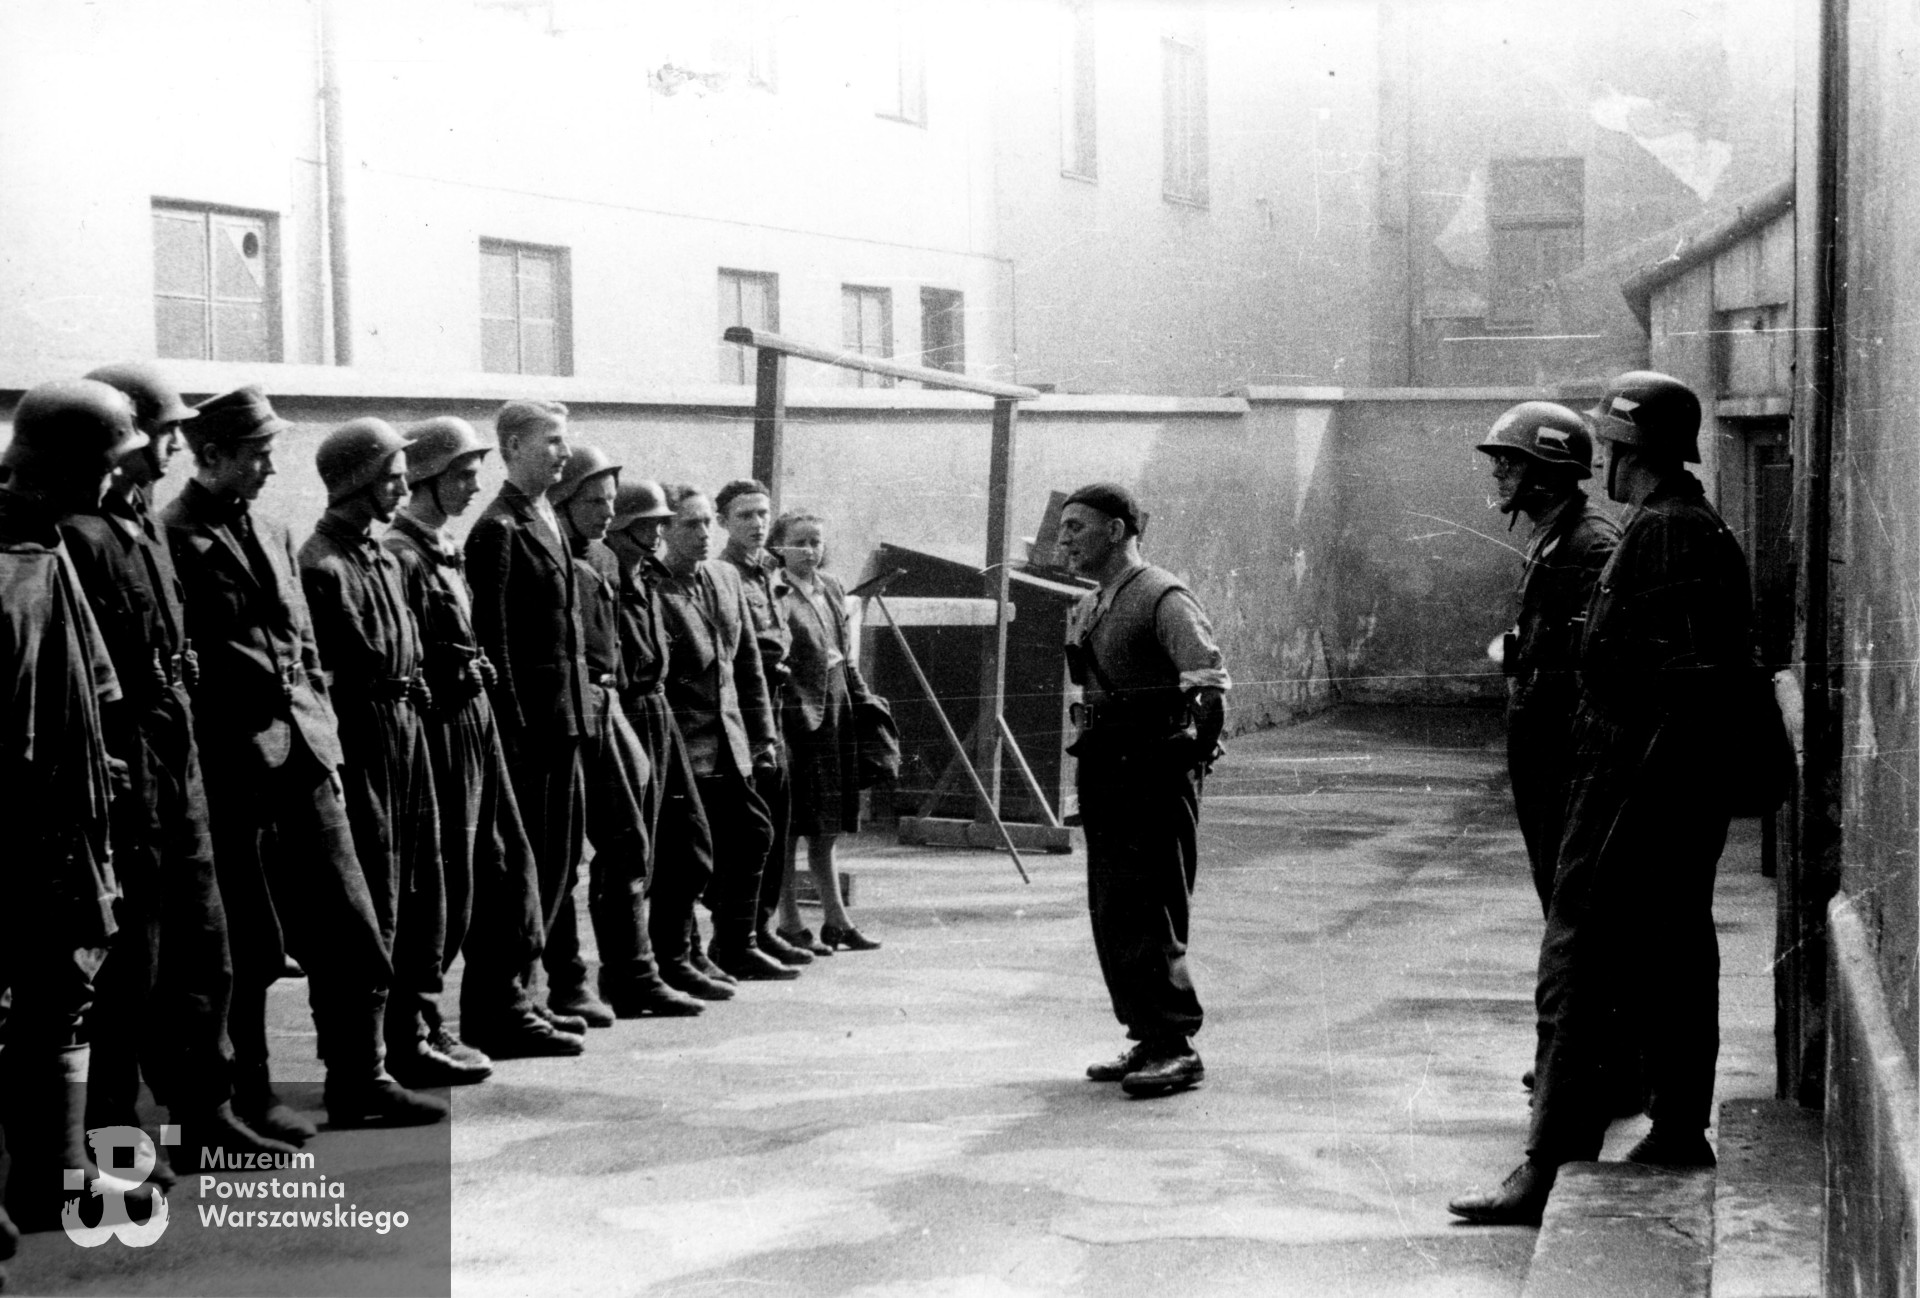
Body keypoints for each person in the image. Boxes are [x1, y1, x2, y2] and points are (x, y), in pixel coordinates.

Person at [1450, 372, 1757, 1225]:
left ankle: (1549, 1166)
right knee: (1669, 957)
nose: (1605, 464)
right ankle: (1676, 1127)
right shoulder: (1683, 525)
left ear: (1632, 450)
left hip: (1630, 783)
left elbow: (1662, 678)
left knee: (1577, 971)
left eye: (1613, 446)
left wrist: (1617, 787)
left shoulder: (1662, 532)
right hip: (1653, 784)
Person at [163, 385, 443, 1134]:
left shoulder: (274, 530)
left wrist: (321, 730)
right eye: (257, 455)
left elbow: (305, 647)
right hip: (235, 766)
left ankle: (361, 1077)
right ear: (211, 454)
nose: (269, 467)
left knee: (352, 922)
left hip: (308, 756)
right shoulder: (174, 537)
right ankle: (252, 1093)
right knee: (250, 944)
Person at [61, 363, 296, 1183]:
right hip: (129, 773)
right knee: (131, 968)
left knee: (204, 951)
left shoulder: (139, 524)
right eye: (162, 434)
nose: (172, 448)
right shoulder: (83, 534)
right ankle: (113, 1133)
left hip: (178, 762)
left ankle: (207, 1114)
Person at [300, 419, 488, 1090]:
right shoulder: (321, 565)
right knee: (373, 899)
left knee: (425, 889)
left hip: (408, 729)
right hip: (363, 739)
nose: (404, 489)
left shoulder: (382, 557)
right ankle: (363, 1063)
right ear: (360, 482)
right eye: (392, 478)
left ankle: (412, 1033)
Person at [385, 416, 581, 1059]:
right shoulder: (402, 554)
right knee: (446, 887)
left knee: (507, 870)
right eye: (464, 475)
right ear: (428, 478)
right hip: (440, 735)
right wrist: (455, 675)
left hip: (476, 726)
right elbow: (404, 655)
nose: (475, 485)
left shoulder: (440, 546)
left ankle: (506, 1006)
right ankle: (420, 1027)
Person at [0, 381, 141, 1241]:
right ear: (65, 468)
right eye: (106, 465)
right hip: (13, 820)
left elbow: (91, 679)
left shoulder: (45, 544)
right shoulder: (8, 556)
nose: (115, 480)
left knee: (64, 985)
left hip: (62, 816)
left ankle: (54, 1177)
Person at [1057, 482, 1229, 1099]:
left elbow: (1208, 685)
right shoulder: (1090, 604)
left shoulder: (1163, 595)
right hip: (1105, 766)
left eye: (1076, 527)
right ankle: (1146, 1035)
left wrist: (1184, 755)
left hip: (1154, 770)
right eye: (1063, 527)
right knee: (1113, 908)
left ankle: (1176, 1046)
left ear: (1115, 530)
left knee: (1153, 907)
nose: (1064, 539)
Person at [464, 400, 609, 1032]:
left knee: (557, 863)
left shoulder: (545, 516)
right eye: (551, 441)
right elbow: (493, 642)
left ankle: (532, 995)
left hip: (566, 722)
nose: (563, 452)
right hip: (529, 732)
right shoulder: (498, 528)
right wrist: (512, 734)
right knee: (518, 873)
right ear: (513, 448)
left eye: (564, 440)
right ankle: (499, 1006)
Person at [549, 447, 703, 1017]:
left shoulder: (611, 565)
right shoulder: (574, 558)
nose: (658, 533)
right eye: (597, 502)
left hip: (626, 706)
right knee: (611, 848)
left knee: (658, 843)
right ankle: (620, 976)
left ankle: (650, 967)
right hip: (596, 707)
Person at [1475, 404, 1620, 913]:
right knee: (1555, 888)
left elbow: (1601, 661)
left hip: (1569, 756)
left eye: (1510, 461)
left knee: (1576, 903)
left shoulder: (1592, 543)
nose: (1497, 472)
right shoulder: (1552, 533)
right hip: (1541, 750)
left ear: (1548, 470)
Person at [652, 483, 790, 982]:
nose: (704, 533)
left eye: (708, 521)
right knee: (685, 855)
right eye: (690, 524)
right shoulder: (653, 587)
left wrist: (763, 735)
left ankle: (736, 943)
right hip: (683, 745)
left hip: (731, 741)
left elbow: (747, 664)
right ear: (663, 530)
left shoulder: (725, 576)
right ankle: (681, 954)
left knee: (753, 833)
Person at [602, 481, 730, 1003]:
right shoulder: (606, 577)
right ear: (622, 530)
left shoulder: (645, 579)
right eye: (648, 525)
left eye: (660, 524)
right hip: (626, 713)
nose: (658, 534)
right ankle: (633, 974)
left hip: (659, 715)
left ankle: (675, 958)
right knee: (630, 854)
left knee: (692, 845)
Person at [766, 508, 881, 953]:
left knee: (828, 823)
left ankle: (837, 921)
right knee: (792, 824)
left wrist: (863, 700)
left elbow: (843, 653)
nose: (810, 550)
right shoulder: (774, 590)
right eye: (800, 541)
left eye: (816, 541)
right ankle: (790, 923)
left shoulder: (831, 586)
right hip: (796, 715)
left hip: (836, 708)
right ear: (779, 546)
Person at [713, 479, 808, 967]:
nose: (756, 523)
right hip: (745, 710)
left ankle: (761, 927)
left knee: (779, 818)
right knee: (748, 829)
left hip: (777, 704)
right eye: (745, 515)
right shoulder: (723, 574)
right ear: (723, 522)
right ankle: (734, 936)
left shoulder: (769, 570)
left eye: (763, 514)